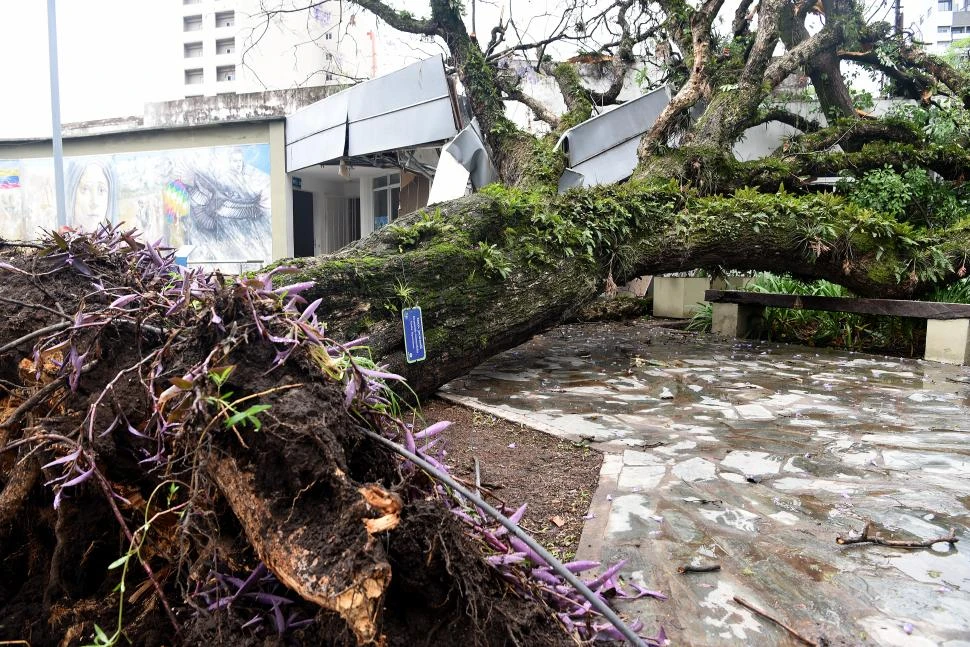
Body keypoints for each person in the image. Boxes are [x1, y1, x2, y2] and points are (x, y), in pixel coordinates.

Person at [66, 160, 116, 231]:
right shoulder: (59, 239)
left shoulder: (121, 240)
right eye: (85, 189)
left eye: (101, 190)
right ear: (72, 196)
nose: (94, 202)